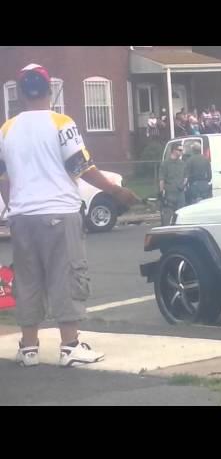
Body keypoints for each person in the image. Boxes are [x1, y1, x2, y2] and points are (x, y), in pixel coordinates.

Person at [0, 64, 139, 367]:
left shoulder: (6, 129)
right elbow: (81, 167)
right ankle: (70, 346)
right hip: (60, 212)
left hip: (22, 216)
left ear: (21, 93)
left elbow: (4, 177)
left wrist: (13, 208)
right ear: (49, 90)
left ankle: (29, 347)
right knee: (66, 276)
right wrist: (115, 192)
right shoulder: (61, 123)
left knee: (28, 280)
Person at [159, 142, 186, 226]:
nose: (182, 152)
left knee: (181, 215)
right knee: (168, 216)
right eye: (180, 150)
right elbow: (161, 179)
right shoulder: (165, 163)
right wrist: (161, 192)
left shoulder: (182, 163)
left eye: (182, 150)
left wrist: (183, 185)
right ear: (174, 151)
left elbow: (185, 177)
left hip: (180, 193)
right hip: (169, 193)